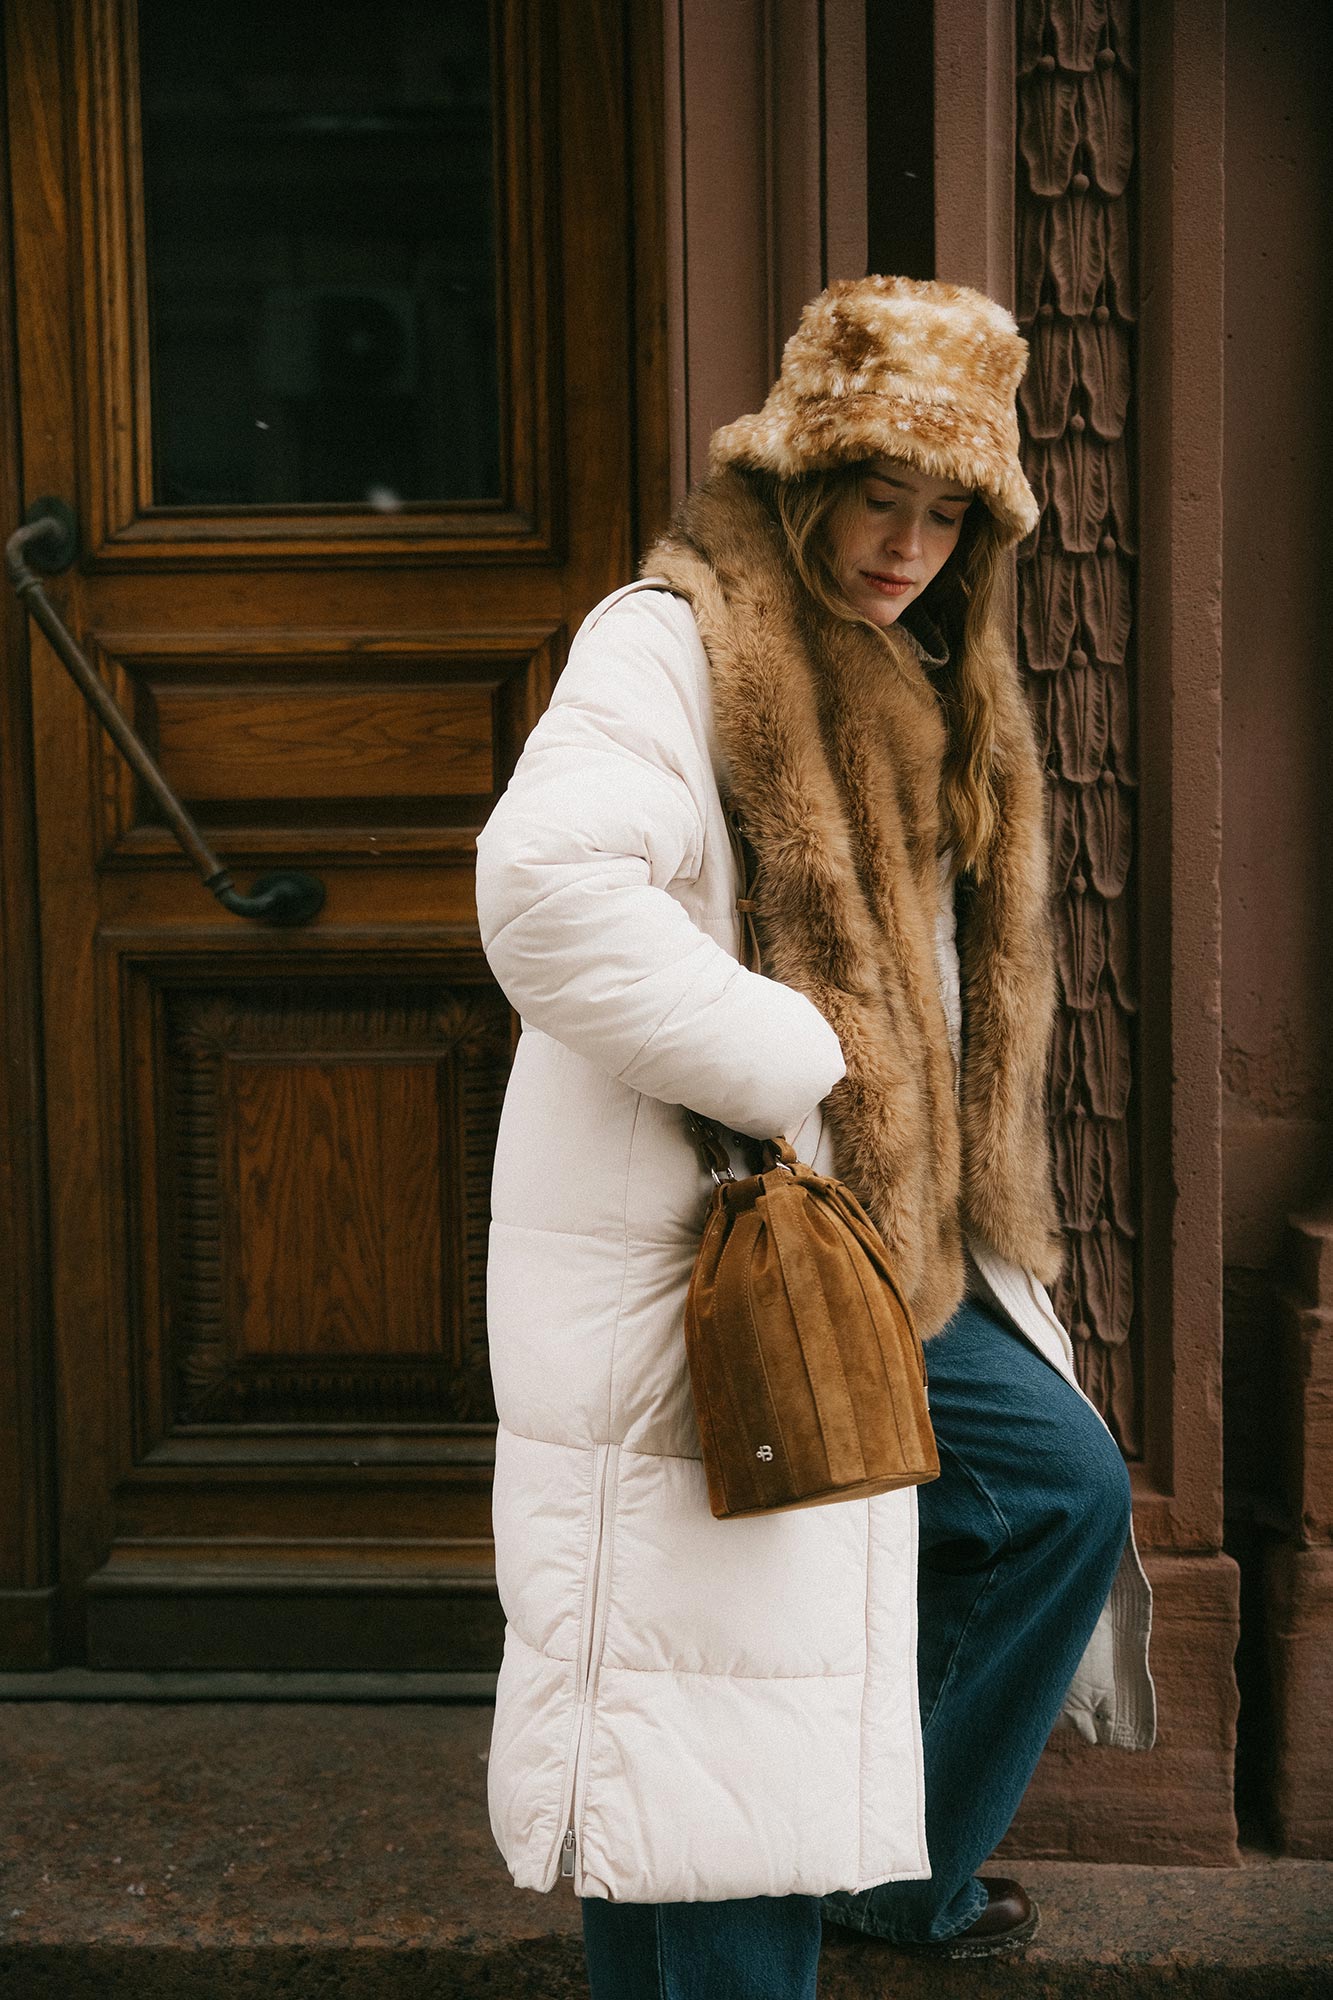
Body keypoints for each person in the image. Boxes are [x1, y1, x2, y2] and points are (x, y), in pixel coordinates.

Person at [474, 274, 1156, 2000]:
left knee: (1054, 1490)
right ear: (798, 479)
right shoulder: (671, 639)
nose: (907, 545)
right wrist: (798, 1061)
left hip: (876, 1244)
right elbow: (545, 897)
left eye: (946, 513)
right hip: (708, 1245)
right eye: (876, 495)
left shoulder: (915, 674)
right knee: (710, 1716)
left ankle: (896, 1878)